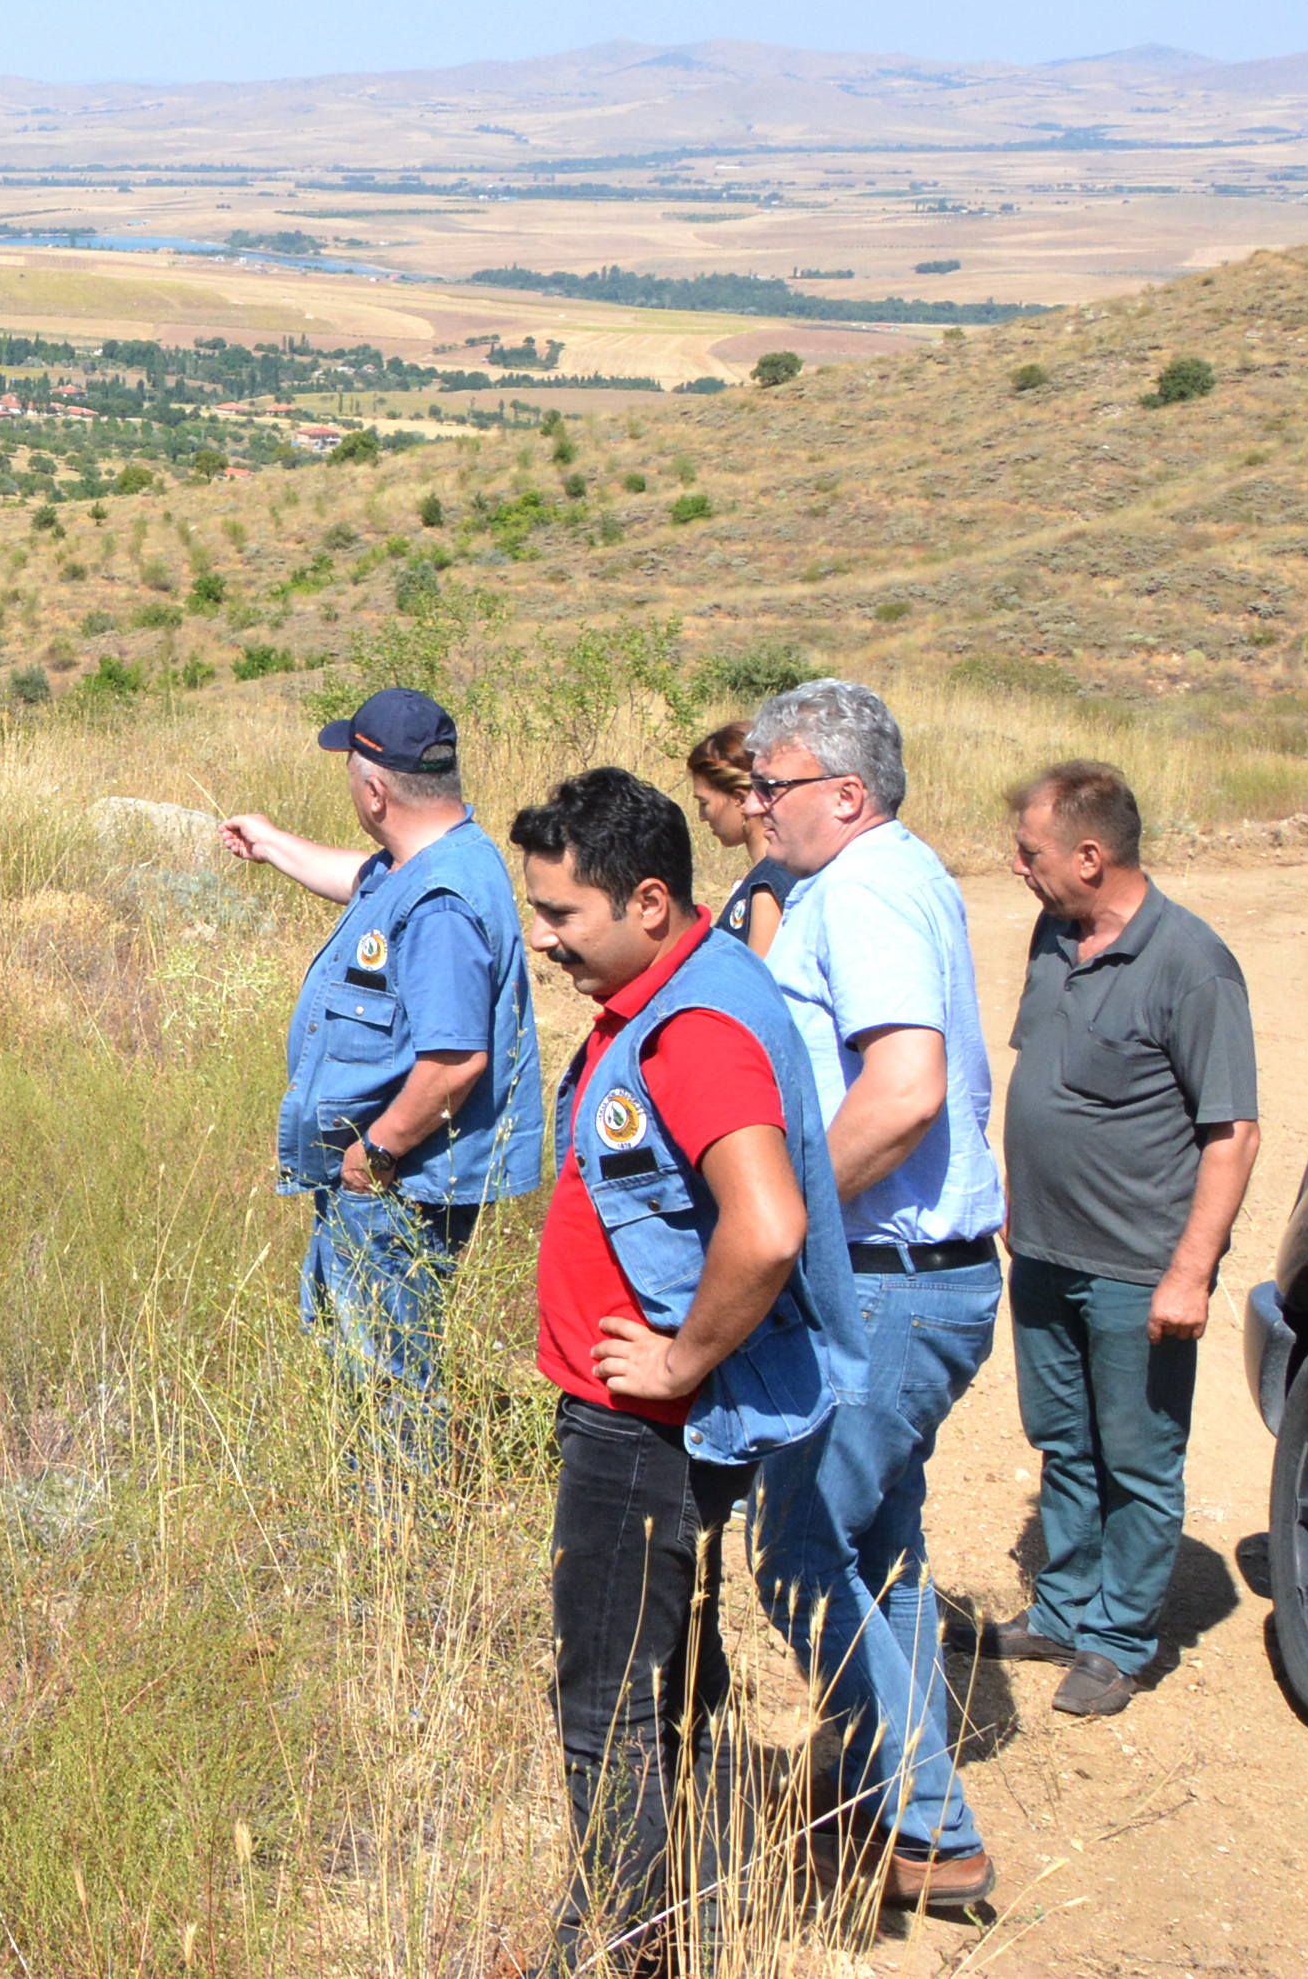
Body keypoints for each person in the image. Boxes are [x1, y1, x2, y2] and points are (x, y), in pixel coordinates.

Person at [510, 767, 860, 1975]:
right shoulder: (680, 986)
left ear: (649, 901)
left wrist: (677, 1359)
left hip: (638, 1429)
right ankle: (665, 1911)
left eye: (563, 915)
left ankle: (623, 1944)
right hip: (635, 1416)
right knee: (667, 1681)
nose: (543, 939)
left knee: (607, 1699)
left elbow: (764, 1227)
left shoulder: (694, 1029)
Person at [737, 678, 1005, 1913]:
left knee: (795, 1548)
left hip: (888, 1288)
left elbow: (904, 1090)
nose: (753, 804)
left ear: (845, 795)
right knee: (876, 1551)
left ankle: (933, 1828)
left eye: (770, 784)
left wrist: (790, 1216)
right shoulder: (889, 878)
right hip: (908, 1284)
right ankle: (894, 1804)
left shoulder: (868, 889)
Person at [977, 761, 1260, 1718]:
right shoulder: (1053, 936)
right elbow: (1046, 1079)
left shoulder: (1192, 964)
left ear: (1089, 856)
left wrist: (1190, 1273)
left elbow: (1231, 1134)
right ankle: (1061, 1608)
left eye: (1031, 852)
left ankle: (1117, 1637)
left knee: (1136, 1456)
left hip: (1137, 1268)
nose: (1018, 866)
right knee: (1061, 1440)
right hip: (1046, 1252)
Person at [222, 687, 543, 1429]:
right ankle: (374, 1523)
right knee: (362, 1357)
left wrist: (375, 1154)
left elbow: (455, 1062)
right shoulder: (429, 861)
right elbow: (359, 878)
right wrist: (270, 842)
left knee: (388, 1376)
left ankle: (396, 1528)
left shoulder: (440, 904)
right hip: (382, 1178)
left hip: (397, 1182)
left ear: (374, 790)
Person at [684, 721, 796, 956]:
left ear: (738, 798)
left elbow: (759, 985)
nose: (702, 816)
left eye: (704, 803)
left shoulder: (766, 884)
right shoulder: (771, 874)